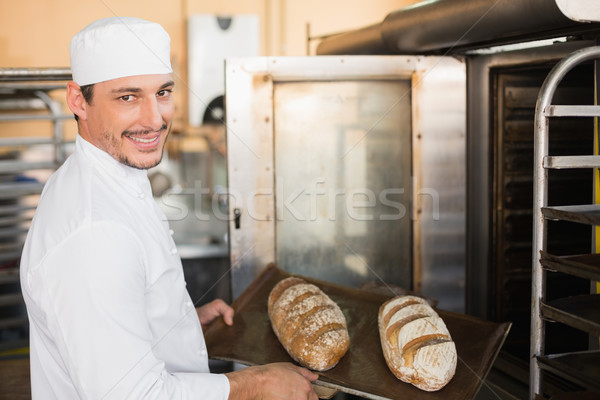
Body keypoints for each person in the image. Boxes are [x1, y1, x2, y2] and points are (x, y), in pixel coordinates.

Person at [20, 16, 318, 400]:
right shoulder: (95, 232)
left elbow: (107, 324)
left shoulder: (111, 173)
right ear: (79, 101)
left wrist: (178, 326)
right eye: (127, 97)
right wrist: (258, 384)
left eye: (162, 92)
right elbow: (129, 394)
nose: (155, 118)